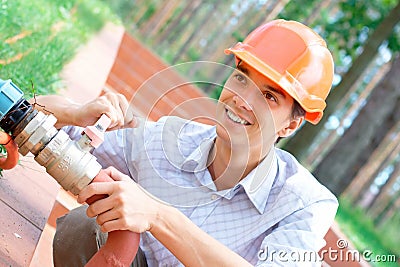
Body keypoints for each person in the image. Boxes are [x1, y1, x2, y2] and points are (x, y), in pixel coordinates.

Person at [38, 19, 338, 266]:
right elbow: (42, 127)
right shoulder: (170, 141)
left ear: (292, 124)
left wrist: (157, 215)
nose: (243, 100)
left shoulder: (304, 203)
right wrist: (75, 113)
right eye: (242, 78)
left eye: (269, 96)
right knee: (84, 228)